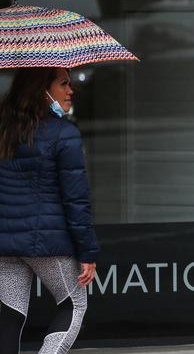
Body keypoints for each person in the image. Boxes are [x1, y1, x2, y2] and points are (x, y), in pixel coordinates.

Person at [0, 67, 99, 354]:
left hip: (5, 243)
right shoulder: (63, 134)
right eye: (64, 83)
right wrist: (87, 252)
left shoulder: (4, 129)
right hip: (46, 242)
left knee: (10, 314)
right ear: (41, 90)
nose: (71, 90)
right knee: (74, 303)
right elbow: (76, 200)